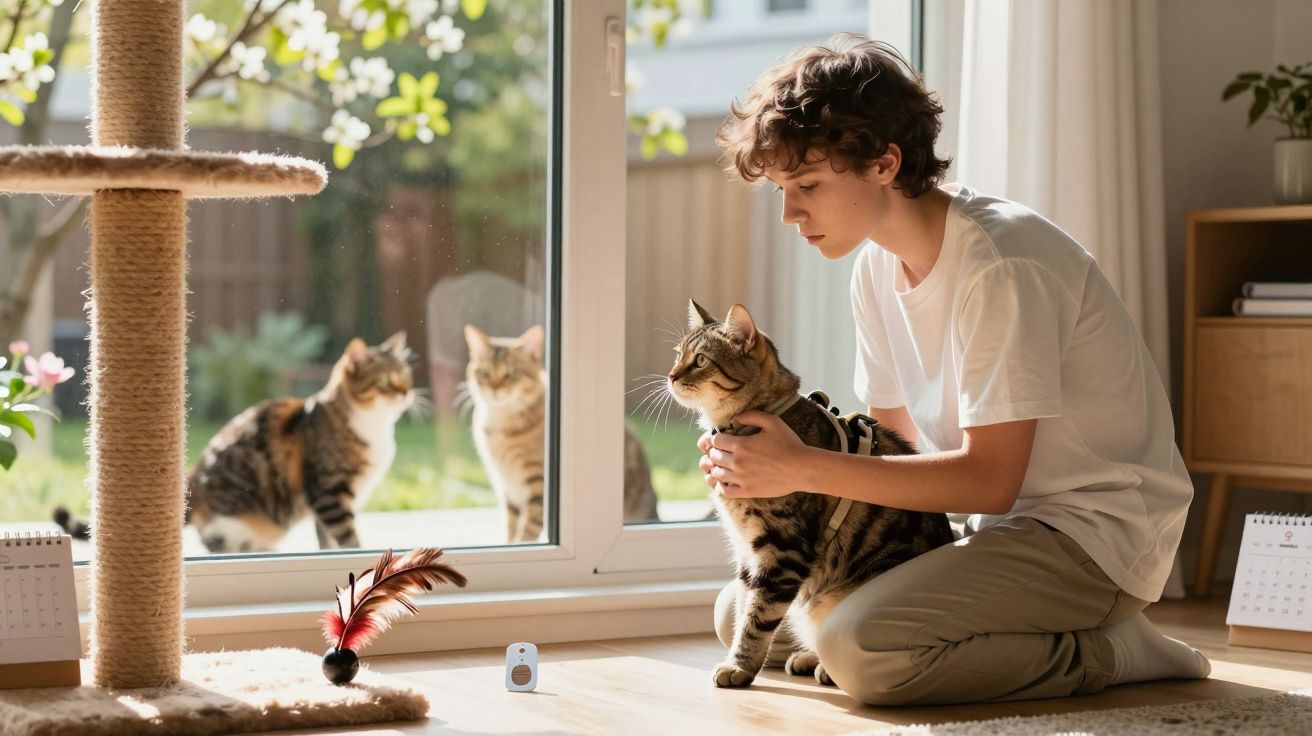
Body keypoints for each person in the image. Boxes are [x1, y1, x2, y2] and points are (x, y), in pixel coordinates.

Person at [700, 33, 1210, 706]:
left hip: (1093, 537)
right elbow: (891, 458)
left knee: (859, 648)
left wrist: (798, 466)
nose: (791, 213)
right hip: (994, 531)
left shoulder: (1002, 265)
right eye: (780, 190)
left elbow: (992, 481)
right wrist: (779, 467)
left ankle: (1113, 648)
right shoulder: (876, 269)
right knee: (741, 615)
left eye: (807, 186)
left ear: (884, 164)